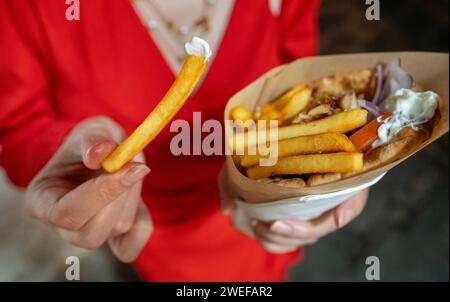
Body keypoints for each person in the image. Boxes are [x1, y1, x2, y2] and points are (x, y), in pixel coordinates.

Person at [0, 0, 368, 281]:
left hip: (267, 202)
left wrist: (342, 165)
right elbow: (19, 129)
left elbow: (299, 79)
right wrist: (72, 161)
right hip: (153, 228)